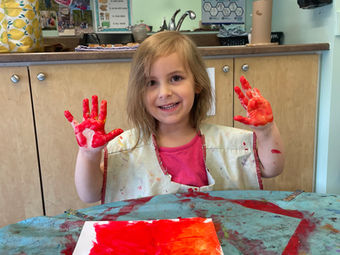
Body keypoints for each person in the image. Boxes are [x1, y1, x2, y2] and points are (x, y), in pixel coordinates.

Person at [64, 31, 284, 204]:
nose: (164, 92)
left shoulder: (225, 143)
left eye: (176, 78)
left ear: (197, 83)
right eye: (151, 83)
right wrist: (88, 155)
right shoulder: (126, 149)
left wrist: (266, 131)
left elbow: (271, 168)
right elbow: (89, 194)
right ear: (139, 92)